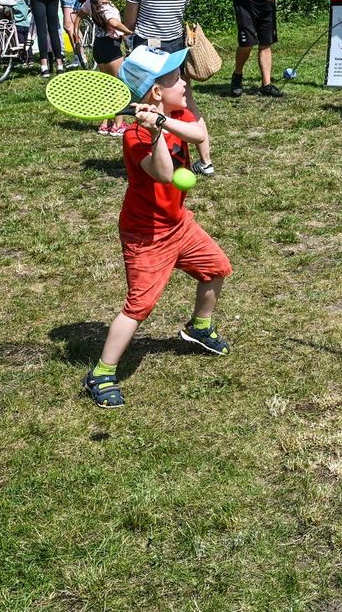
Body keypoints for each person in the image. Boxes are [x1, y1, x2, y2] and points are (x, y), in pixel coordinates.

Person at [82, 45, 232, 409]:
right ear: (155, 92)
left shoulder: (175, 112)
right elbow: (165, 174)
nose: (184, 82)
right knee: (141, 304)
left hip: (178, 224)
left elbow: (198, 135)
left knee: (216, 268)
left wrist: (162, 122)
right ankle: (101, 373)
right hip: (146, 234)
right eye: (175, 78)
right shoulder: (135, 137)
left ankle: (199, 327)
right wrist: (152, 133)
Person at [124, 0, 215, 176]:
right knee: (186, 103)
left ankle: (155, 161)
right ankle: (204, 160)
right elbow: (181, 9)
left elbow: (130, 23)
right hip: (176, 48)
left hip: (149, 51)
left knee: (148, 106)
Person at [77, 0, 133, 136]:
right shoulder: (106, 7)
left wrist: (74, 30)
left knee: (106, 86)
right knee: (120, 87)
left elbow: (80, 14)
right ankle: (118, 125)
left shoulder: (92, 1)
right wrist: (129, 32)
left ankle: (104, 123)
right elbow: (114, 23)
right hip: (111, 47)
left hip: (98, 46)